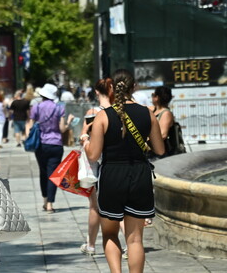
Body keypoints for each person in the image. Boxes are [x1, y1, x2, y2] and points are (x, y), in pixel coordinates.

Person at [81, 69, 164, 273]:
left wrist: (85, 141)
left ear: (111, 88)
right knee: (135, 239)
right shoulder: (147, 113)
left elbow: (93, 155)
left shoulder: (103, 116)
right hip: (139, 174)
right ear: (133, 87)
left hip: (112, 177)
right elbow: (160, 149)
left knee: (109, 234)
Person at [78, 78, 114, 256]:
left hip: (96, 165)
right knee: (118, 205)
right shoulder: (119, 111)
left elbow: (83, 135)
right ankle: (130, 244)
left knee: (94, 206)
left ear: (97, 92)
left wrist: (84, 138)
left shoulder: (93, 112)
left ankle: (91, 245)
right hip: (115, 162)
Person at [28, 83, 74, 213]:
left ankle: (44, 200)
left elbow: (31, 125)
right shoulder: (59, 108)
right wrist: (69, 122)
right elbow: (62, 129)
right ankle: (50, 204)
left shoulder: (36, 107)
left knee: (43, 173)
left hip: (41, 144)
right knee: (53, 175)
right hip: (56, 144)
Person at [150, 86, 175, 156]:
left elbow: (163, 135)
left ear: (157, 97)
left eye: (153, 95)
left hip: (162, 154)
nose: (151, 97)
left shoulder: (166, 113)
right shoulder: (154, 110)